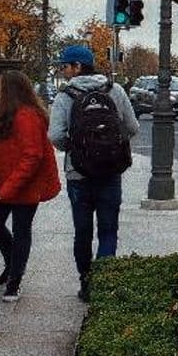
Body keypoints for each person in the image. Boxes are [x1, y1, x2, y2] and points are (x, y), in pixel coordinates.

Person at [48, 45, 139, 301]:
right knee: (109, 230)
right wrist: (110, 145)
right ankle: (104, 282)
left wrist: (78, 149)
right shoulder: (115, 90)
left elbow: (55, 136)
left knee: (83, 232)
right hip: (111, 172)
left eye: (65, 66)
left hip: (79, 175)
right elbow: (132, 127)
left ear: (77, 66)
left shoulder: (65, 96)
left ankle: (86, 283)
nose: (63, 71)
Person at [0, 70, 61, 302]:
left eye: (1, 87)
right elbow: (7, 137)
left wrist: (11, 186)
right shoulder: (13, 114)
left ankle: (15, 280)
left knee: (20, 230)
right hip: (7, 183)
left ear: (9, 90)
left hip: (22, 185)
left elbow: (33, 155)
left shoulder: (27, 116)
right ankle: (12, 265)